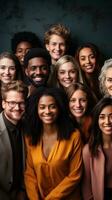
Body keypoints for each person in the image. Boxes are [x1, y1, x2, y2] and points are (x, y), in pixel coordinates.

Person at [24, 87, 82, 200]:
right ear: (36, 109)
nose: (47, 111)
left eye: (52, 106)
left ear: (59, 108)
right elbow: (29, 174)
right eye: (42, 107)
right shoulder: (30, 137)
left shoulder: (74, 136)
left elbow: (75, 175)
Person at [0, 80, 28, 200]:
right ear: (3, 104)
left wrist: (22, 190)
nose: (17, 108)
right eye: (12, 103)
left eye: (21, 103)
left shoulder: (27, 128)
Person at [82, 97, 112, 200]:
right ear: (97, 120)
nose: (107, 121)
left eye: (111, 116)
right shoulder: (88, 150)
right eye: (102, 117)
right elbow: (86, 185)